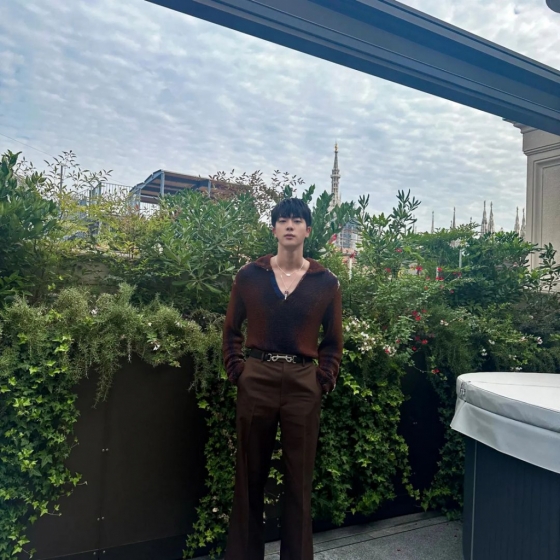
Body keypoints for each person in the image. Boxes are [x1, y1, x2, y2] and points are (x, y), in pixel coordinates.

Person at [222, 197, 343, 560]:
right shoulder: (249, 276)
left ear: (308, 230)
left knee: (299, 482)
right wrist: (238, 371)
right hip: (257, 377)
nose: (290, 226)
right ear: (274, 229)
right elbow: (231, 330)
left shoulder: (326, 282)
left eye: (297, 220)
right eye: (283, 220)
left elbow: (333, 340)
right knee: (249, 478)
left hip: (303, 384)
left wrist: (323, 378)